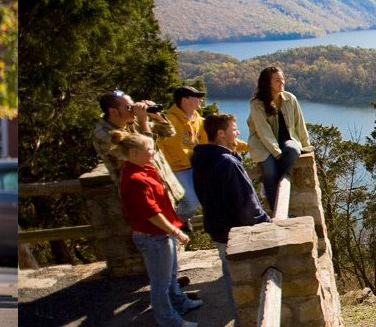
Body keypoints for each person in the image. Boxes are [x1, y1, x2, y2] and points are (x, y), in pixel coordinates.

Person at [112, 130, 203, 327]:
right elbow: (151, 213)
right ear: (135, 152)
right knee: (160, 283)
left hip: (159, 235)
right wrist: (176, 231)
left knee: (170, 276)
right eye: (149, 150)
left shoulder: (144, 169)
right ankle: (169, 320)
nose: (153, 153)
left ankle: (179, 304)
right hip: (153, 237)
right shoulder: (136, 179)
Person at [191, 113, 272, 307]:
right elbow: (246, 206)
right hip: (235, 232)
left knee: (232, 280)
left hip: (218, 229)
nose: (237, 133)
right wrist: (267, 224)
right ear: (220, 133)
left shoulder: (201, 159)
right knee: (245, 289)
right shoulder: (226, 163)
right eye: (234, 129)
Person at [158, 86, 248, 230]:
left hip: (197, 166)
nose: (200, 100)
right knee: (191, 202)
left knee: (215, 198)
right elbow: (157, 141)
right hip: (177, 168)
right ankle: (174, 224)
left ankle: (181, 221)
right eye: (196, 97)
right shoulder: (170, 121)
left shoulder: (200, 122)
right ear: (184, 100)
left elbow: (220, 138)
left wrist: (247, 147)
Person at [92, 90, 184, 208]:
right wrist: (144, 122)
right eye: (129, 107)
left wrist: (156, 116)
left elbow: (168, 133)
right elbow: (145, 155)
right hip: (144, 195)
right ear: (113, 112)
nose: (134, 109)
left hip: (166, 190)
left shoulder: (131, 122)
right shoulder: (104, 135)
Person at [246, 66, 311, 213]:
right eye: (277, 80)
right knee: (269, 169)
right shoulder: (257, 103)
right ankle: (278, 212)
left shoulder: (290, 98)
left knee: (294, 150)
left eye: (282, 79)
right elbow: (263, 131)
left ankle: (269, 184)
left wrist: (306, 145)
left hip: (285, 138)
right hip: (262, 142)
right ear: (267, 83)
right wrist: (276, 153)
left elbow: (299, 123)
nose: (282, 83)